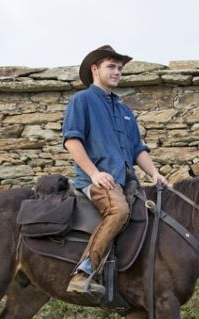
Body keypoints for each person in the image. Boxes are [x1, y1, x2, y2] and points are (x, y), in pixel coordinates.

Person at [63, 45, 168, 298]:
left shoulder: (124, 111)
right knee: (119, 210)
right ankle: (84, 272)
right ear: (95, 69)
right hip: (98, 181)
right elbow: (72, 141)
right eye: (111, 66)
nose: (117, 72)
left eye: (120, 68)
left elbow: (137, 149)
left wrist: (154, 173)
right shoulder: (82, 101)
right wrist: (94, 173)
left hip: (126, 181)